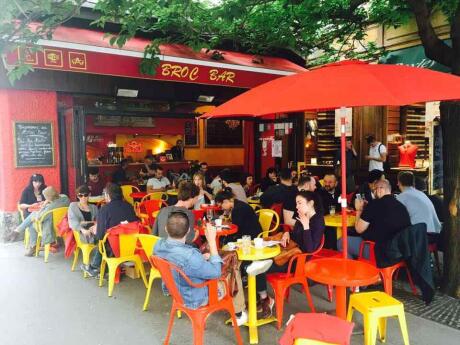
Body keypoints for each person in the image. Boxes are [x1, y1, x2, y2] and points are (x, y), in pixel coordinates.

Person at [154, 211, 249, 325]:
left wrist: (200, 258)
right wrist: (212, 242)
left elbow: (178, 262)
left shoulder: (158, 245)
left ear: (166, 228)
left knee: (218, 264)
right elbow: (216, 273)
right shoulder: (190, 256)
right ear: (188, 230)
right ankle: (239, 314)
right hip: (195, 298)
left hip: (175, 291)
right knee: (233, 270)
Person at [255, 191, 325, 318]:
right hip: (288, 254)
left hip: (297, 262)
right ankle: (261, 298)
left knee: (258, 268)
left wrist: (306, 226)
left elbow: (309, 249)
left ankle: (264, 299)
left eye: (299, 203)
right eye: (296, 203)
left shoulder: (318, 221)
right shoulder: (302, 216)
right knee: (257, 261)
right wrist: (287, 233)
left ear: (311, 203)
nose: (296, 207)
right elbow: (296, 237)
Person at [339, 179, 411, 259]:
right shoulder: (401, 206)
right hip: (400, 252)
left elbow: (359, 229)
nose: (373, 193)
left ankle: (352, 270)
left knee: (341, 242)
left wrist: (359, 210)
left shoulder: (374, 204)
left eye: (374, 190)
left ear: (379, 190)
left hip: (379, 252)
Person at [81, 183, 138, 277]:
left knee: (101, 241)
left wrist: (94, 231)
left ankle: (95, 267)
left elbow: (100, 235)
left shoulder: (105, 209)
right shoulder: (129, 206)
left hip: (113, 248)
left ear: (108, 196)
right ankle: (96, 268)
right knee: (107, 237)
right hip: (131, 246)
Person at [9, 186, 70, 255]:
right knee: (33, 217)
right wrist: (47, 202)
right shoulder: (65, 198)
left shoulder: (49, 208)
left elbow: (39, 218)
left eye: (46, 197)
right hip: (62, 224)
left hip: (51, 227)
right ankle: (19, 232)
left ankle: (32, 245)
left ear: (49, 197)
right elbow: (57, 200)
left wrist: (42, 207)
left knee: (32, 222)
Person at [396, 171, 441, 242]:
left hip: (422, 237)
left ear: (399, 183)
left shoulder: (401, 197)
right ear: (413, 183)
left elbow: (397, 218)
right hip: (434, 233)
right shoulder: (421, 193)